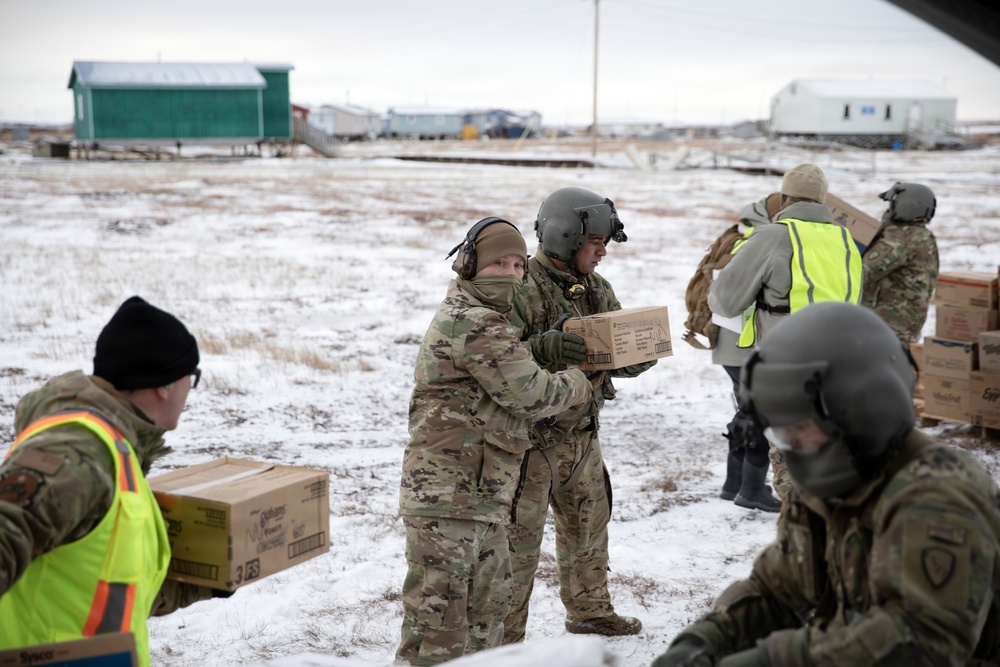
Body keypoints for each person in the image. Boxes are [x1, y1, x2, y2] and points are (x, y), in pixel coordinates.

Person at [651, 302, 1000, 667]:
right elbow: (777, 589)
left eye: (799, 429)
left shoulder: (938, 495)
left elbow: (920, 641)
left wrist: (774, 660)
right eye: (780, 432)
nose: (791, 447)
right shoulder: (831, 481)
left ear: (862, 407)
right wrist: (704, 640)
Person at [396, 217, 592, 666]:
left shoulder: (485, 320)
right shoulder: (478, 322)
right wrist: (580, 381)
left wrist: (539, 349)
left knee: (487, 618)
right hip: (449, 498)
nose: (511, 274)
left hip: (480, 496)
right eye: (498, 263)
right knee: (437, 632)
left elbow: (501, 368)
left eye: (519, 265)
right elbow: (533, 395)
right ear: (468, 265)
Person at [0, 296, 218, 666]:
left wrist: (208, 582)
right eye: (191, 378)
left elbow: (112, 591)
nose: (188, 392)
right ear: (165, 385)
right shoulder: (76, 451)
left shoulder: (117, 454)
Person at [503, 187, 655, 643]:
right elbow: (497, 360)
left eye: (606, 243)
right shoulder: (519, 289)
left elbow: (613, 351)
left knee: (588, 530)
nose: (603, 253)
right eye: (596, 244)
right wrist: (543, 347)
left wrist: (636, 351)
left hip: (582, 438)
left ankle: (589, 610)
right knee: (516, 547)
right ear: (565, 238)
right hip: (530, 447)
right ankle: (504, 638)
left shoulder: (596, 288)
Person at [708, 164, 863, 502]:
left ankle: (804, 537)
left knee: (792, 472)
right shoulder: (846, 242)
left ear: (785, 199)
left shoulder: (774, 235)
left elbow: (724, 302)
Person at [714, 194, 782, 512]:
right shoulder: (761, 240)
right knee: (756, 415)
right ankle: (752, 489)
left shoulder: (744, 233)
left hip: (731, 343)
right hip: (742, 342)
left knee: (746, 411)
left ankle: (734, 485)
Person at [861, 181, 939, 343]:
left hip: (888, 326)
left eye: (892, 206)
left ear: (906, 207)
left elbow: (862, 272)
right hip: (896, 324)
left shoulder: (903, 239)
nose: (889, 210)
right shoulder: (918, 235)